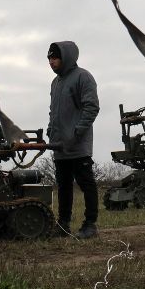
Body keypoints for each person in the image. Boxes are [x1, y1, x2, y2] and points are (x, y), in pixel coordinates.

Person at [46, 41, 100, 239]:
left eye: (55, 58)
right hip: (59, 146)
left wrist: (77, 133)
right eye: (49, 58)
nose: (51, 62)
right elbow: (53, 111)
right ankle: (64, 224)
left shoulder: (83, 77)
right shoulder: (55, 83)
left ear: (66, 57)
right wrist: (51, 130)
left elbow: (92, 107)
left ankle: (90, 225)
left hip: (78, 145)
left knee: (86, 184)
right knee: (63, 186)